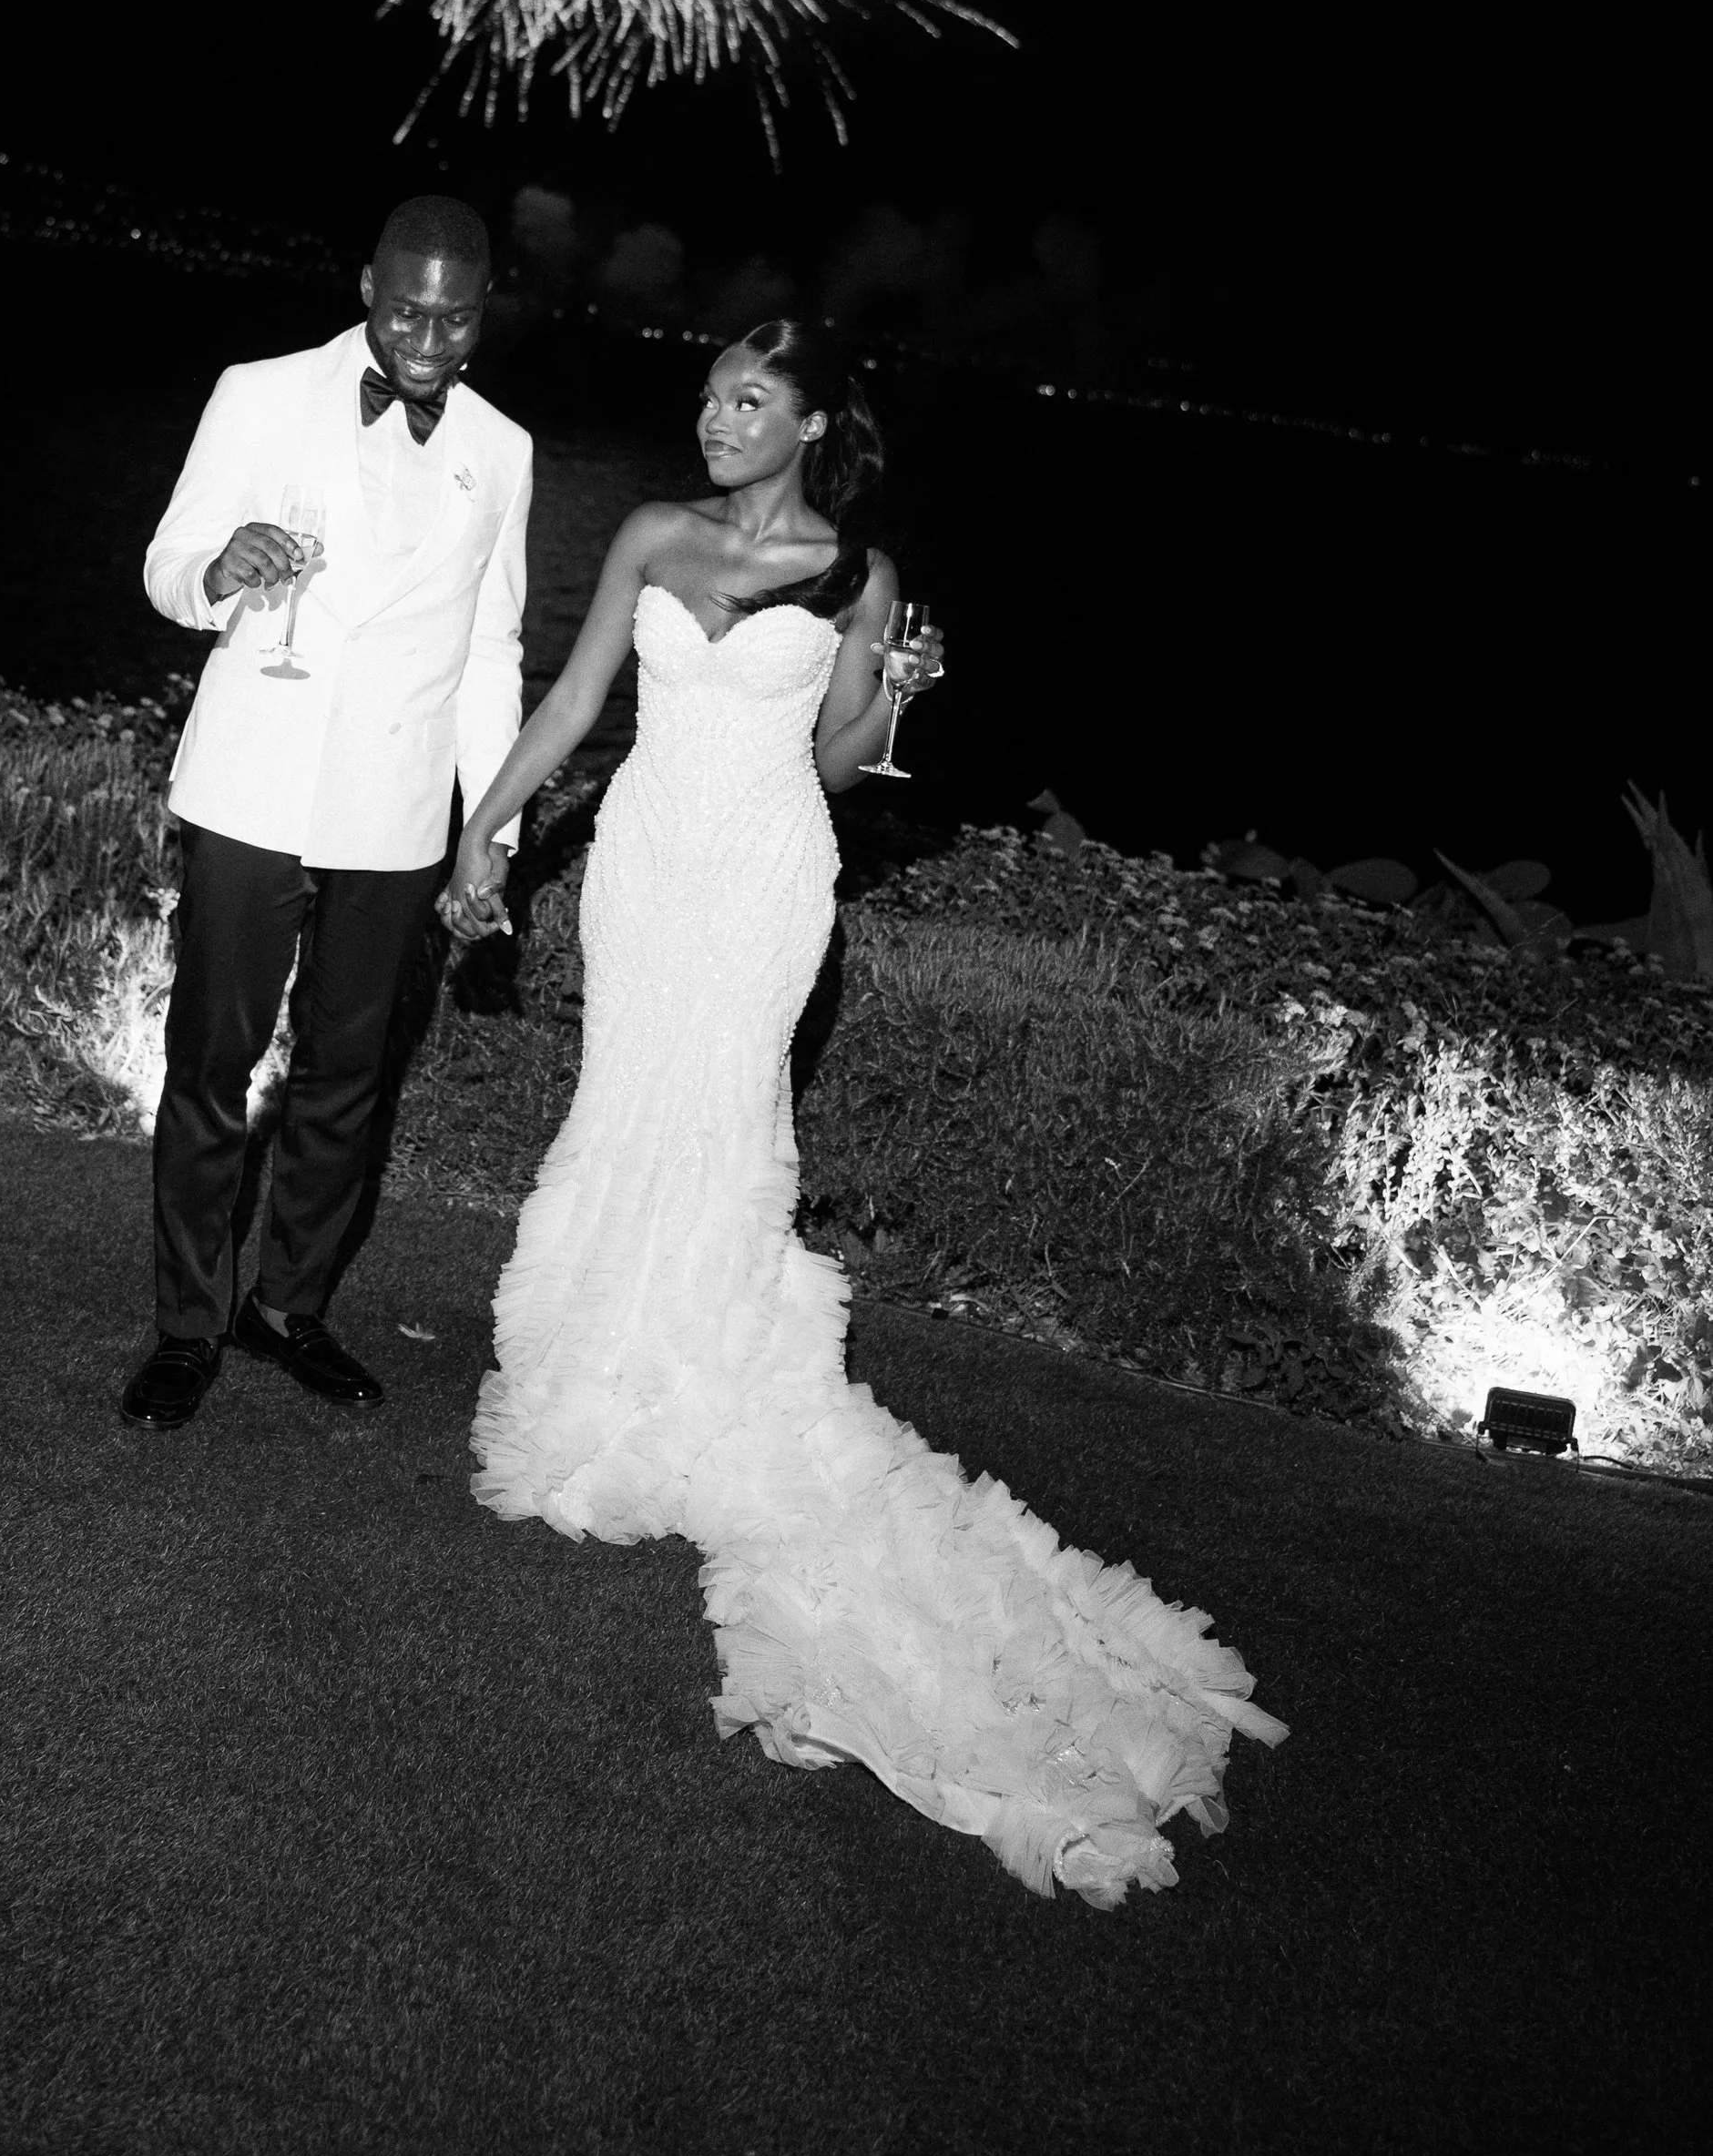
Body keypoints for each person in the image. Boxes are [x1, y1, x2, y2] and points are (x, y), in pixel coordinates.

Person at [440, 317, 1287, 1907]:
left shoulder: (860, 572)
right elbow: (571, 707)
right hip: (642, 862)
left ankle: (699, 1371)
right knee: (626, 1098)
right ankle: (601, 1361)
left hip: (765, 877)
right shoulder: (648, 532)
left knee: (725, 1113)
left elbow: (833, 762)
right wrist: (486, 839)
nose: (716, 413)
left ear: (813, 421)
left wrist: (897, 698)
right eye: (710, 389)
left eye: (750, 396)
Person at [122, 196, 531, 1431]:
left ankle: (286, 1305)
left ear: (481, 316)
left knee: (348, 1079)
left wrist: (491, 831)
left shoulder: (502, 449)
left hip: (397, 813)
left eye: (454, 318)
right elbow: (165, 560)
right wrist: (215, 569)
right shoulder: (259, 390)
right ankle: (189, 1322)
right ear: (367, 281)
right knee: (212, 1068)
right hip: (252, 787)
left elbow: (495, 650)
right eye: (408, 306)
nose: (426, 336)